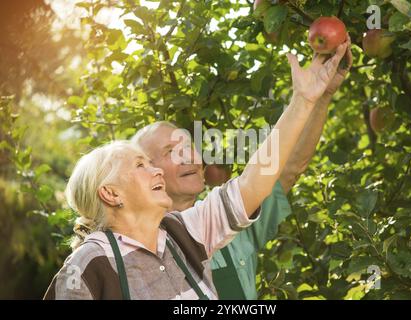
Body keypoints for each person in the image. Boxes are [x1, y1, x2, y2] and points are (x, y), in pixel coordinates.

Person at [44, 39, 350, 299]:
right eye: (143, 164)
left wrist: (307, 99)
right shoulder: (86, 269)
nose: (159, 171)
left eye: (189, 145)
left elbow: (259, 177)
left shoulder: (184, 232)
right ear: (111, 193)